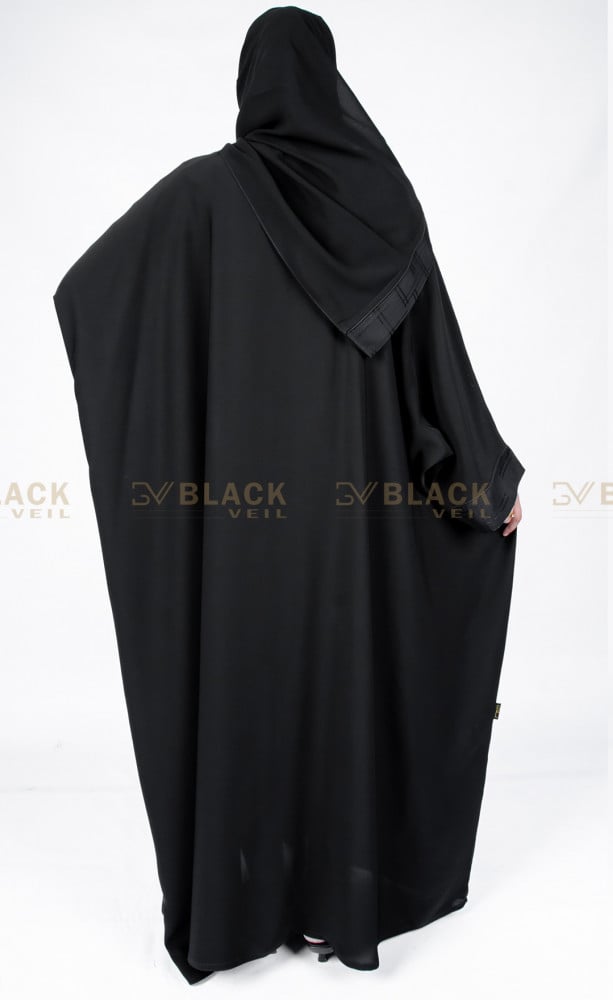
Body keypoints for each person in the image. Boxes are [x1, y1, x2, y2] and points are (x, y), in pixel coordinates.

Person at [53, 4, 525, 984]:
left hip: (241, 526)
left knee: (252, 690)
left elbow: (88, 292)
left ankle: (250, 904)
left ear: (251, 86)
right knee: (343, 689)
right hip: (357, 528)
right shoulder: (383, 205)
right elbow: (435, 369)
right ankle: (334, 906)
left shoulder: (203, 197)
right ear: (328, 80)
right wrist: (484, 480)